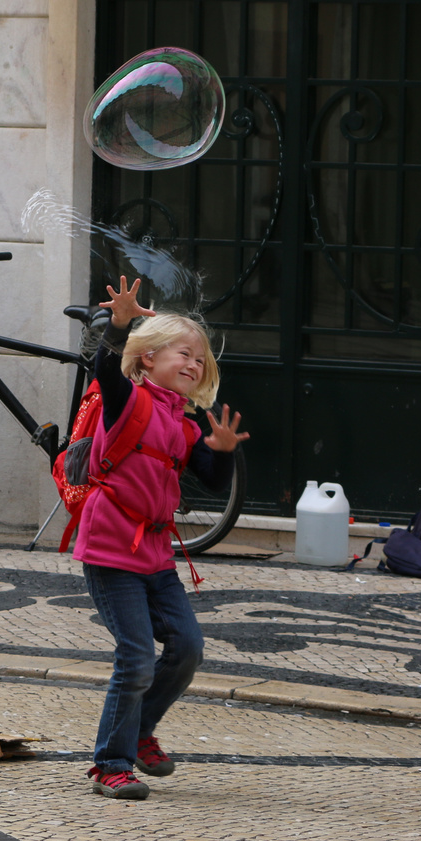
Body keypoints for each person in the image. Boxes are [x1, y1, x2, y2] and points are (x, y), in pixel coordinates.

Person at [75, 276, 250, 801]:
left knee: (188, 648)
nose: (195, 364)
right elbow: (105, 367)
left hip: (154, 555)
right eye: (184, 353)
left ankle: (141, 729)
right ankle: (111, 763)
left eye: (201, 360)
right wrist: (121, 322)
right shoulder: (128, 400)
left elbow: (214, 483)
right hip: (110, 549)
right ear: (148, 359)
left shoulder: (185, 423)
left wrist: (221, 450)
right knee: (135, 656)